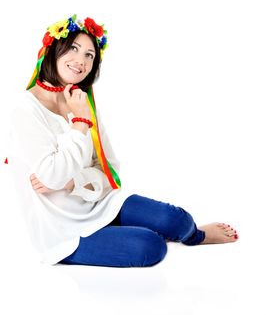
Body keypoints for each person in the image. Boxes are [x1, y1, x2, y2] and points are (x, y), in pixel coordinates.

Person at [6, 14, 239, 268]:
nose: (81, 61)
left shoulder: (81, 102)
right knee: (151, 246)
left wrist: (75, 181)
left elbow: (110, 170)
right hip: (63, 231)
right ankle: (133, 236)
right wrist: (80, 124)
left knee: (178, 221)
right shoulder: (24, 109)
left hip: (102, 204)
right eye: (73, 48)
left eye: (89, 56)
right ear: (54, 49)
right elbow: (52, 177)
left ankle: (195, 236)